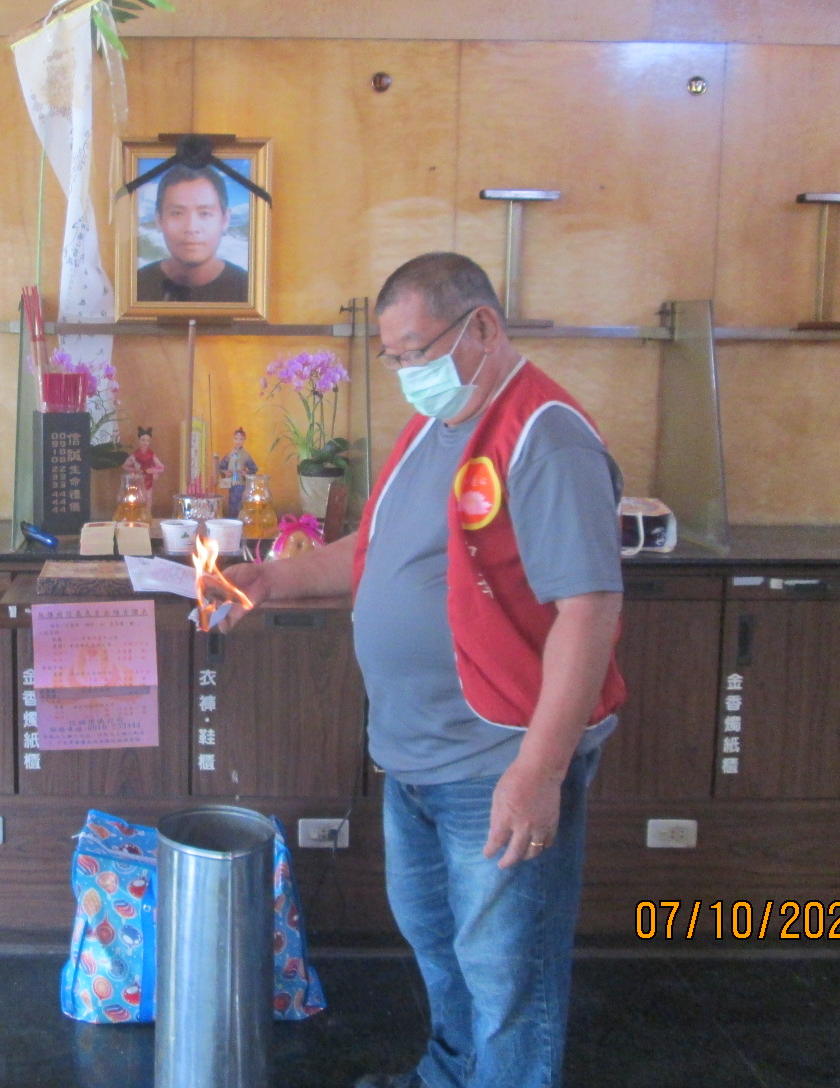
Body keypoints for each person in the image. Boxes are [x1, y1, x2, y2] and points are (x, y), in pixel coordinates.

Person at [216, 252, 626, 1088]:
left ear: (482, 327)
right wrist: (273, 579)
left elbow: (589, 611)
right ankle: (448, 1075)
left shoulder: (543, 434)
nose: (406, 372)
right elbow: (371, 551)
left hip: (494, 757)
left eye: (418, 351)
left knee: (508, 974)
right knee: (440, 945)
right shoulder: (433, 429)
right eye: (394, 356)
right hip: (416, 754)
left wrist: (539, 772)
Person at [135, 163, 249, 303]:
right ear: (159, 220)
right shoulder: (136, 286)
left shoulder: (249, 290)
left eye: (205, 213)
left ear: (225, 219)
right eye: (177, 213)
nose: (191, 227)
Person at [214, 427, 259, 517]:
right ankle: (232, 520)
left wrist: (246, 473)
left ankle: (238, 520)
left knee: (239, 503)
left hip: (240, 483)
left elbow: (254, 469)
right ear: (233, 439)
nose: (238, 441)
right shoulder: (230, 454)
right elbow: (221, 466)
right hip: (231, 482)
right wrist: (225, 472)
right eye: (236, 438)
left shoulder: (245, 455)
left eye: (241, 439)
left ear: (244, 440)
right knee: (232, 503)